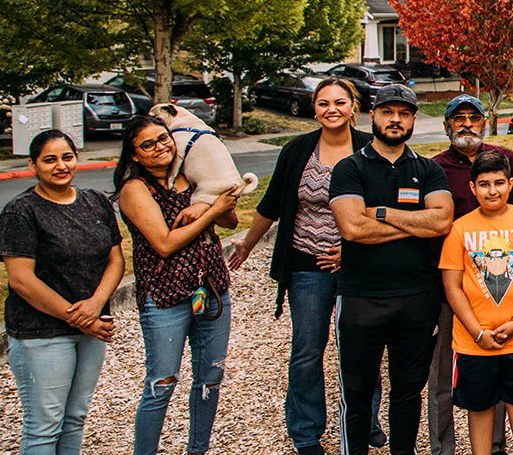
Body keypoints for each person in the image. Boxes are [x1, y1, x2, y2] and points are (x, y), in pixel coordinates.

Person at [236, 78, 383, 455]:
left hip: (360, 265)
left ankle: (364, 420)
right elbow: (271, 205)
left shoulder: (372, 149)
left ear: (354, 106)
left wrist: (350, 252)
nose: (331, 109)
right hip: (306, 266)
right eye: (323, 103)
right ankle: (305, 430)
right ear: (313, 108)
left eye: (339, 102)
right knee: (307, 349)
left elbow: (386, 210)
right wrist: (247, 246)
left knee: (363, 347)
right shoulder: (297, 150)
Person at [329, 83, 456, 455]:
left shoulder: (428, 170)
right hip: (360, 298)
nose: (395, 120)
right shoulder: (349, 168)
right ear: (373, 116)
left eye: (403, 113)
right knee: (356, 390)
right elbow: (351, 228)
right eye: (388, 112)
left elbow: (440, 223)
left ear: (414, 119)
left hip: (416, 298)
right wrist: (413, 221)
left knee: (407, 390)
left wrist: (379, 213)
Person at [114, 116, 241, 455]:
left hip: (212, 289)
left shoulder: (191, 174)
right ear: (135, 156)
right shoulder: (134, 189)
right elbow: (165, 244)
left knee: (210, 379)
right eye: (148, 144)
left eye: (163, 138)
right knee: (162, 382)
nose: (160, 147)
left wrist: (215, 206)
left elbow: (230, 219)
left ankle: (197, 449)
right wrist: (210, 210)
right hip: (166, 296)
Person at [0, 130, 125, 455]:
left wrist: (95, 306)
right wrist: (82, 319)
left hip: (92, 328)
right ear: (33, 164)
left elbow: (116, 259)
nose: (60, 165)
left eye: (67, 157)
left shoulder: (95, 200)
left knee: (75, 418)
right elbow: (21, 280)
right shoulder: (21, 211)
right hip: (42, 334)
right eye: (49, 159)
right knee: (43, 426)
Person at [432, 93, 513, 454]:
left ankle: (496, 445)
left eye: (473, 117)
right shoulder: (435, 168)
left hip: (505, 287)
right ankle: (443, 446)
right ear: (447, 126)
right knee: (445, 374)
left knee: (504, 369)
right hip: (452, 287)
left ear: (484, 122)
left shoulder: (504, 161)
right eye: (459, 119)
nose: (467, 124)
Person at [441, 152, 513, 455]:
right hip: (472, 341)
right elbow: (452, 286)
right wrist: (478, 332)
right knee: (479, 407)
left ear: (511, 184)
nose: (493, 191)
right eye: (484, 184)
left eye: (499, 183)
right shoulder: (459, 228)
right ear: (472, 188)